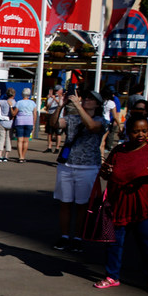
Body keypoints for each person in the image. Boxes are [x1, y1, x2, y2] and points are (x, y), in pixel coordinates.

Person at [93, 113, 148, 296]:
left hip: (147, 205)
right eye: (136, 131)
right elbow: (107, 174)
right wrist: (106, 171)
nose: (141, 135)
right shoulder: (119, 150)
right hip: (120, 204)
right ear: (127, 132)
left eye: (144, 131)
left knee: (147, 244)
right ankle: (112, 276)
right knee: (113, 242)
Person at [49, 89, 107, 253]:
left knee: (82, 205)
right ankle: (65, 236)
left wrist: (77, 106)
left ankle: (79, 238)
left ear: (97, 104)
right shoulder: (72, 118)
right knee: (65, 203)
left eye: (90, 99)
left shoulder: (101, 120)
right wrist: (59, 107)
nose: (86, 100)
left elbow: (91, 126)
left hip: (88, 167)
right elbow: (54, 124)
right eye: (85, 98)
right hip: (67, 166)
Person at [13, 88, 38, 163]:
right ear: (29, 95)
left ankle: (20, 156)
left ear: (22, 94)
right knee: (26, 141)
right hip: (29, 121)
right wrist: (34, 124)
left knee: (19, 141)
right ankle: (23, 156)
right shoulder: (33, 103)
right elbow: (35, 114)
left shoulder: (19, 102)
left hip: (20, 121)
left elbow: (15, 113)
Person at [44, 85, 63, 153]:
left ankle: (57, 148)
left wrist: (55, 98)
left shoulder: (62, 97)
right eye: (55, 90)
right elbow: (48, 106)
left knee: (58, 133)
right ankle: (49, 147)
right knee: (49, 132)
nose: (56, 92)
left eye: (57, 90)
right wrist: (50, 98)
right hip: (50, 115)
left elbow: (60, 104)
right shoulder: (51, 97)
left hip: (58, 116)